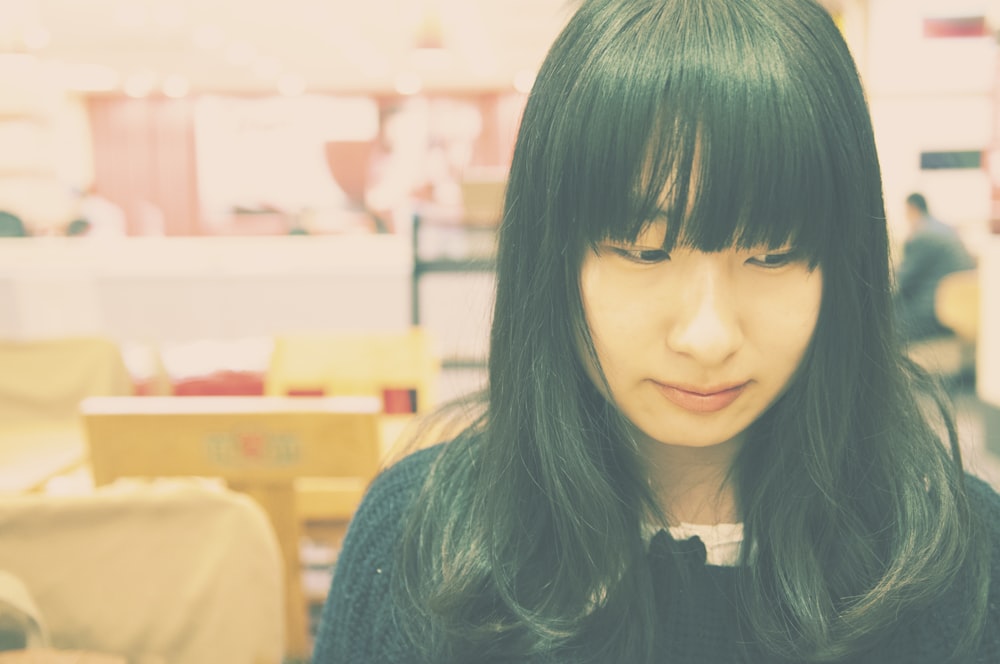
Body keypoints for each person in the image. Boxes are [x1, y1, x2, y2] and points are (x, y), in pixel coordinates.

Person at [313, 0, 1000, 662]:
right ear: (551, 258)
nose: (708, 337)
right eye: (644, 252)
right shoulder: (423, 544)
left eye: (773, 254)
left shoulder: (956, 563)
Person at [895, 192, 976, 343]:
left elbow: (901, 281)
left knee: (888, 319)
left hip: (935, 308)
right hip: (955, 306)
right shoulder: (945, 228)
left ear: (912, 209)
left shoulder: (923, 235)